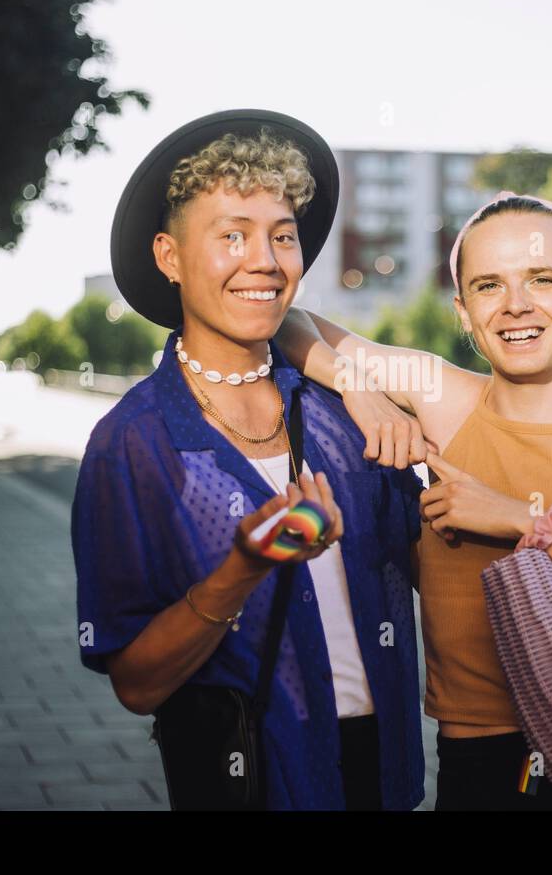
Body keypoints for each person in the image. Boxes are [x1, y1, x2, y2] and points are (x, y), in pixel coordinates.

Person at [276, 191, 552, 810]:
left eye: (542, 279)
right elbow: (286, 316)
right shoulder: (443, 399)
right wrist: (361, 390)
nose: (516, 305)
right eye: (489, 286)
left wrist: (524, 523)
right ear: (463, 311)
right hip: (479, 778)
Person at [72, 110, 425, 810]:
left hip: (382, 781)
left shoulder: (347, 414)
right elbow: (137, 685)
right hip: (252, 779)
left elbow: (430, 569)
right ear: (170, 257)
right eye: (231, 235)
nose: (263, 260)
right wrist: (244, 568)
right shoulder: (132, 445)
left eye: (282, 236)